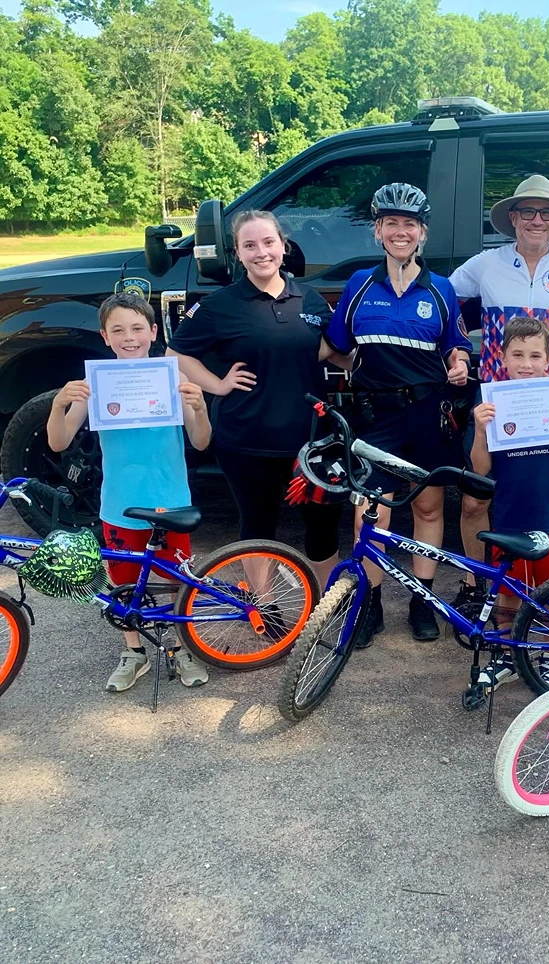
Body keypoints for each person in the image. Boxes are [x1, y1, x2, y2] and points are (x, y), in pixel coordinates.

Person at [321, 183, 472, 646]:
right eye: (391, 223)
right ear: (378, 231)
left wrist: (460, 364)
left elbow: (457, 347)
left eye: (409, 224)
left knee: (428, 506)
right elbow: (332, 348)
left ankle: (422, 599)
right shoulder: (360, 285)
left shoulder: (441, 289)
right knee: (373, 512)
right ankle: (368, 604)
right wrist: (357, 366)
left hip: (428, 412)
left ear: (422, 232)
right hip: (375, 416)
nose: (400, 231)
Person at [167, 210, 345, 591]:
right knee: (258, 524)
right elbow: (175, 355)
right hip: (247, 439)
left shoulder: (310, 300)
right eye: (250, 245)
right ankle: (263, 608)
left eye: (268, 242)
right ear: (238, 253)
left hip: (311, 441)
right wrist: (216, 384)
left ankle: (327, 605)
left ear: (283, 246)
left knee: (322, 523)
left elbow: (330, 350)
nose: (261, 252)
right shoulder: (221, 305)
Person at [46, 292, 213, 692]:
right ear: (105, 336)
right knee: (122, 581)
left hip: (170, 501)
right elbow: (58, 441)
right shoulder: (95, 384)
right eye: (118, 330)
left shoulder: (174, 378)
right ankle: (133, 649)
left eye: (138, 328)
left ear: (153, 332)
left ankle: (178, 646)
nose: (129, 337)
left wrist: (200, 408)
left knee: (177, 580)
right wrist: (58, 404)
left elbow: (201, 441)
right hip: (121, 505)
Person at [449, 174, 549, 614]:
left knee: (541, 489)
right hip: (496, 399)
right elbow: (442, 302)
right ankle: (483, 585)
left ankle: (547, 600)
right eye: (527, 212)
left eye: (546, 213)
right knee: (479, 495)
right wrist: (455, 351)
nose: (536, 220)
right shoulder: (485, 263)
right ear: (513, 218)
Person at [470, 315, 549, 691]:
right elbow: (481, 468)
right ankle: (507, 654)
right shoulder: (494, 402)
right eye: (517, 354)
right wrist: (480, 429)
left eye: (535, 356)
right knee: (508, 593)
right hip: (509, 518)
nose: (526, 364)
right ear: (502, 357)